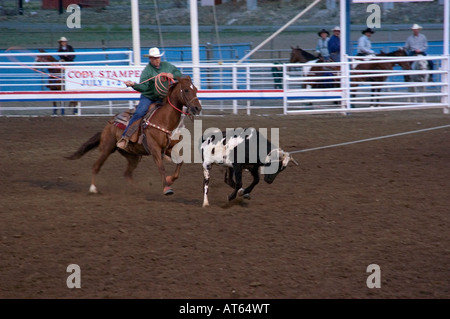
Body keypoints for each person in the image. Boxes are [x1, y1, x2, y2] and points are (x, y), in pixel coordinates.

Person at [117, 47, 182, 150]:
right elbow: (143, 87)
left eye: (158, 58)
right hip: (149, 97)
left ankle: (170, 136)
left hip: (163, 97)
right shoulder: (147, 71)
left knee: (173, 111)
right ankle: (125, 137)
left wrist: (172, 75)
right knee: (139, 113)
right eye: (154, 58)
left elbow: (179, 74)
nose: (156, 60)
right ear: (150, 59)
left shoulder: (167, 66)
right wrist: (133, 85)